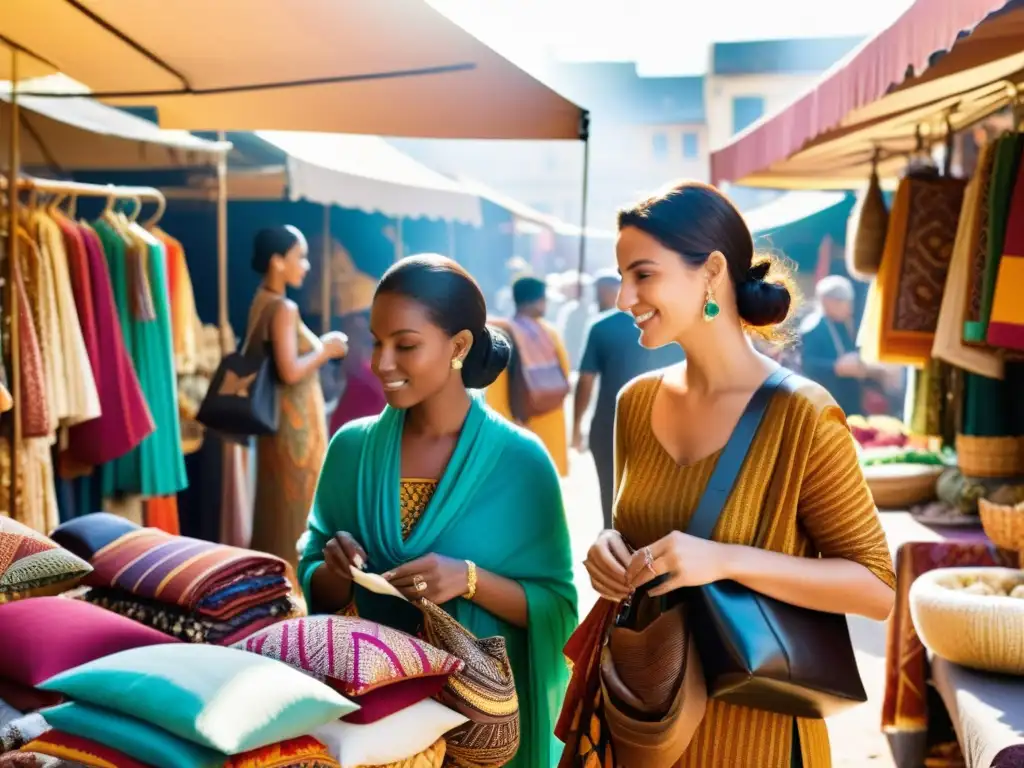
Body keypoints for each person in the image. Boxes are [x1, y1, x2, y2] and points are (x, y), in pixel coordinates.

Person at [567, 182, 895, 768]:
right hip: (645, 725)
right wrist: (606, 551)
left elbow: (875, 590)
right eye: (621, 276)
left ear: (711, 272)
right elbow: (632, 531)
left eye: (642, 274)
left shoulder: (804, 414)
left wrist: (724, 560)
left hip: (758, 738)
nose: (623, 297)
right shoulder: (634, 403)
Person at [298, 254, 578, 768]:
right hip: (369, 727)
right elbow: (314, 576)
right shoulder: (350, 450)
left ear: (459, 346)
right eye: (377, 342)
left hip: (476, 731)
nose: (381, 363)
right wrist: (334, 573)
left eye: (405, 345)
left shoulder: (522, 463)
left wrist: (468, 580)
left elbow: (557, 608)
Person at [246, 225, 348, 571]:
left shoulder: (262, 300)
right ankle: (294, 581)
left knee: (276, 503)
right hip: (295, 427)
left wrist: (318, 346)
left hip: (280, 423)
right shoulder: (284, 308)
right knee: (296, 506)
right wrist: (326, 350)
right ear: (278, 261)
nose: (306, 265)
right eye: (300, 257)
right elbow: (290, 370)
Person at [572, 270, 683, 527]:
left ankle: (615, 556)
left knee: (612, 502)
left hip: (611, 427)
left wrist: (577, 427)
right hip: (669, 426)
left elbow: (586, 380)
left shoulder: (602, 326)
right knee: (662, 504)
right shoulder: (676, 324)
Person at [485, 275, 572, 477]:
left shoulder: (500, 331)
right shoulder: (549, 333)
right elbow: (564, 376)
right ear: (538, 301)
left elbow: (494, 389)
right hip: (547, 421)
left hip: (511, 422)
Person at [799, 275, 866, 415]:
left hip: (847, 400)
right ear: (827, 301)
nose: (849, 309)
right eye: (843, 302)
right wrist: (835, 367)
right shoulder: (813, 326)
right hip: (824, 401)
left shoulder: (842, 323)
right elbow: (807, 364)